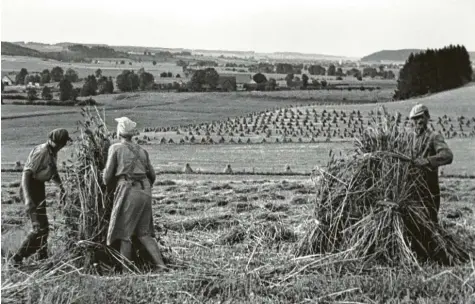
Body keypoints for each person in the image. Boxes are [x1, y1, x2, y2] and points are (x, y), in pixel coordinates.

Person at [102, 117, 167, 271]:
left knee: (125, 233)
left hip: (129, 191)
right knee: (144, 233)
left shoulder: (116, 148)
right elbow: (153, 175)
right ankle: (161, 265)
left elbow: (106, 178)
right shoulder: (142, 151)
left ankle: (126, 271)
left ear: (119, 132)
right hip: (145, 190)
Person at [12, 128, 72, 266]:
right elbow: (26, 174)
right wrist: (28, 199)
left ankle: (43, 257)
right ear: (56, 142)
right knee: (38, 227)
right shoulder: (42, 152)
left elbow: (53, 171)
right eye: (62, 143)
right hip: (30, 187)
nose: (63, 146)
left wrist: (61, 188)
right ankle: (17, 258)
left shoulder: (52, 152)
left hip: (39, 187)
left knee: (44, 226)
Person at [409, 104, 453, 224]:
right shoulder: (410, 139)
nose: (418, 121)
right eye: (415, 118)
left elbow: (447, 156)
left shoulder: (434, 137)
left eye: (420, 117)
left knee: (430, 225)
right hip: (413, 190)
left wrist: (428, 161)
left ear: (427, 117)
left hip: (429, 190)